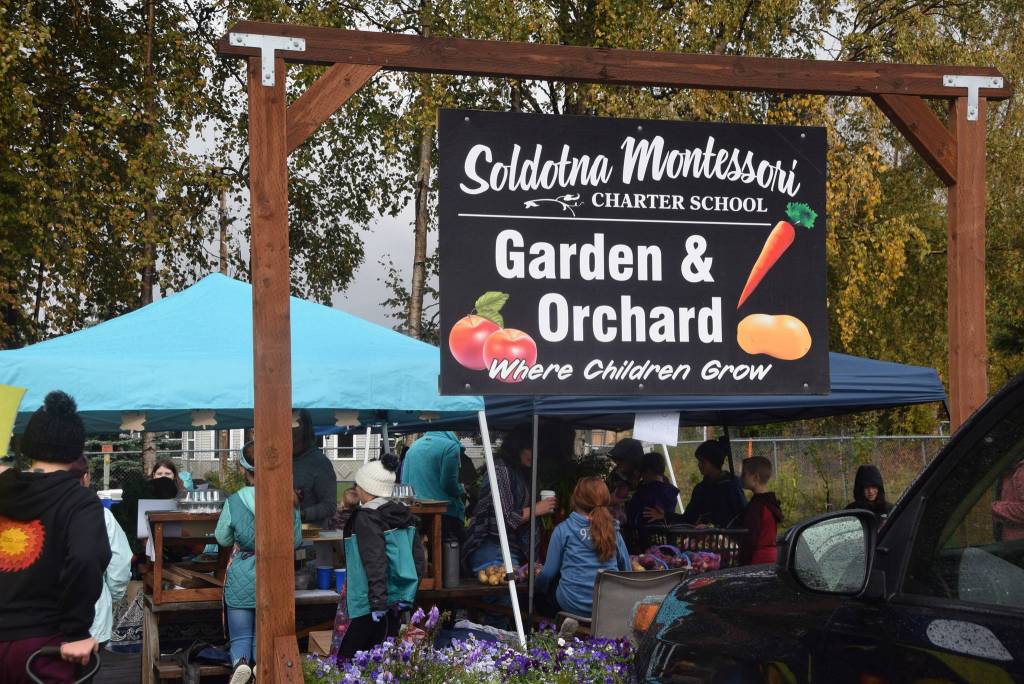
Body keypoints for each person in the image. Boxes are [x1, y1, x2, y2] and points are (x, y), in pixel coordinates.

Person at [0, 391, 112, 681]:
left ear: (27, 445)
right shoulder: (79, 501)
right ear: (76, 451)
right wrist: (77, 631)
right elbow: (86, 558)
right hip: (44, 647)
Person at [216, 441, 302, 683]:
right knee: (265, 637)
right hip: (277, 576)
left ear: (245, 470)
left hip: (243, 572)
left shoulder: (234, 500)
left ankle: (240, 664)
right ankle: (259, 667)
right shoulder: (289, 497)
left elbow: (222, 538)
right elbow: (295, 540)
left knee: (240, 636)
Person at [337, 453, 425, 660]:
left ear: (366, 489)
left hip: (368, 602)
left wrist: (377, 602)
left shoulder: (367, 518)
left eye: (358, 485)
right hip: (396, 600)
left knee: (349, 660)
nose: (356, 488)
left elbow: (374, 559)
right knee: (383, 659)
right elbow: (418, 559)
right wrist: (408, 594)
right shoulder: (405, 516)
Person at [462, 425, 557, 571]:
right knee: (504, 591)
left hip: (507, 548)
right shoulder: (501, 471)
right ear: (517, 448)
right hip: (494, 549)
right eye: (530, 449)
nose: (535, 454)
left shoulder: (518, 472)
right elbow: (506, 518)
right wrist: (537, 509)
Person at [535, 477, 631, 618]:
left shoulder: (563, 530)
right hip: (607, 605)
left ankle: (554, 631)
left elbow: (548, 573)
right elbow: (627, 571)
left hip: (571, 605)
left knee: (547, 586)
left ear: (575, 499)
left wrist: (536, 587)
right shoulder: (613, 530)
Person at [80, 471, 132, 650]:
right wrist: (112, 595)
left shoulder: (22, 513)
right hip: (90, 618)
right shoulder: (100, 515)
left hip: (33, 624)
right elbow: (120, 563)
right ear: (85, 478)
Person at [644, 440, 747, 528]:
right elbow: (689, 518)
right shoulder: (701, 489)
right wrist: (665, 515)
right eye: (699, 461)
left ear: (714, 462)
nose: (699, 465)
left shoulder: (731, 486)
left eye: (703, 462)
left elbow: (743, 516)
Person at [400, 432, 466, 542]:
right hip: (446, 513)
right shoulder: (451, 447)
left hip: (417, 512)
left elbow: (405, 483)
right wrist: (461, 489)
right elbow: (448, 483)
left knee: (422, 553)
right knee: (449, 554)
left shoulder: (413, 447)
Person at [291, 409, 338, 527]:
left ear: (304, 428)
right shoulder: (278, 459)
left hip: (311, 538)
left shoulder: (319, 463)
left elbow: (329, 506)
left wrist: (301, 514)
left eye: (295, 423)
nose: (290, 428)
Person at [625, 452, 680, 546]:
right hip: (668, 538)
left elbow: (632, 515)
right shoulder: (671, 491)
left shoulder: (643, 493)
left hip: (644, 539)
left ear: (648, 471)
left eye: (642, 472)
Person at [738, 456, 783, 565]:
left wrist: (741, 560)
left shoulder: (757, 506)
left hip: (757, 561)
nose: (741, 478)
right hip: (772, 557)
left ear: (755, 477)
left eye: (744, 474)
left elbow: (750, 539)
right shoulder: (771, 502)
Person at [606, 438, 644, 526]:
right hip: (616, 522)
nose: (617, 463)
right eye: (617, 460)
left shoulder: (645, 476)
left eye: (621, 460)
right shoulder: (616, 475)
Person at [993, 459, 1024, 541]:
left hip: (1018, 546)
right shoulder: (1010, 470)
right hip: (1012, 545)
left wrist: (996, 508)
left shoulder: (1022, 472)